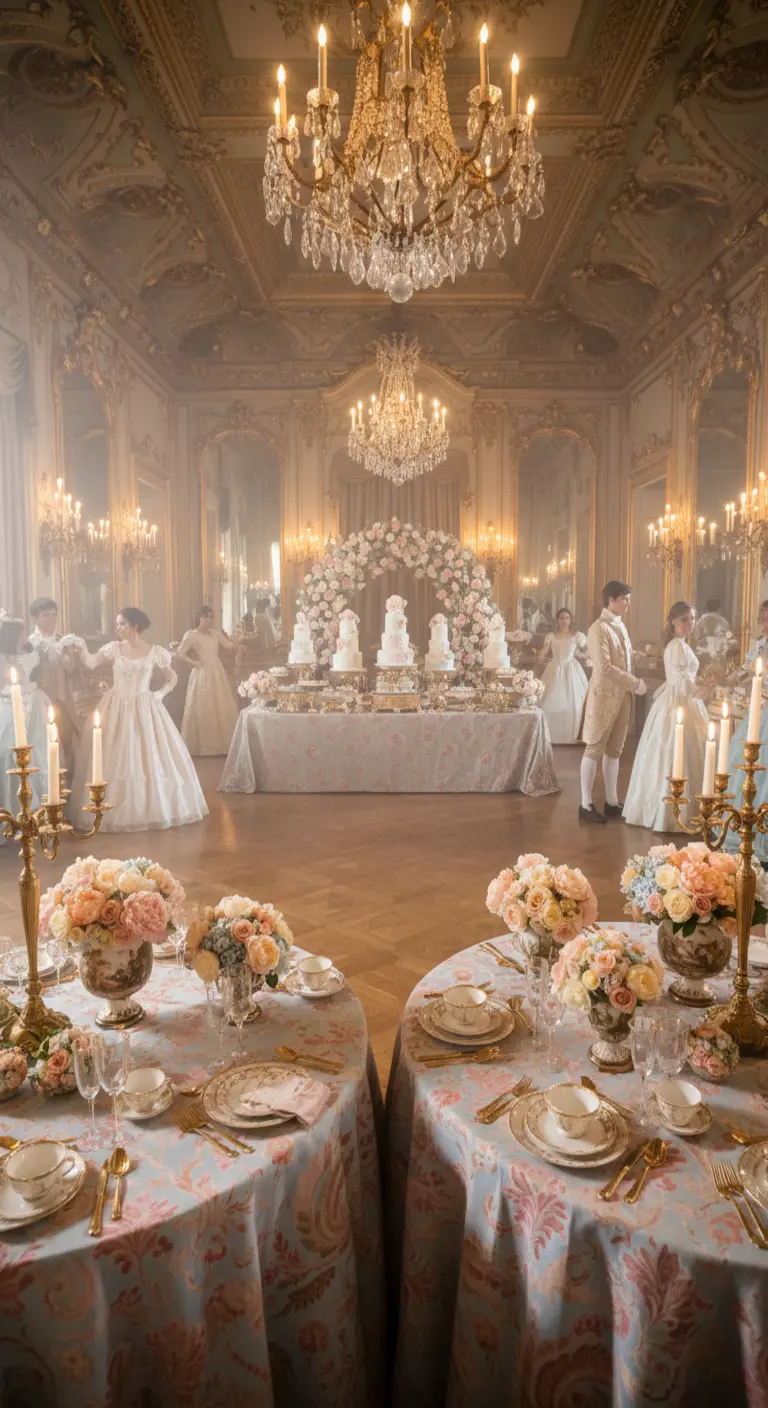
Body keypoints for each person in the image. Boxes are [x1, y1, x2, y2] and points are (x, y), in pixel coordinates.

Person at [64, 607, 207, 833]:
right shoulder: (114, 649)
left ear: (135, 626)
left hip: (145, 705)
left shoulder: (154, 652)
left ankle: (149, 809)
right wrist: (81, 646)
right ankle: (108, 810)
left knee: (148, 755)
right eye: (118, 624)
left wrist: (159, 695)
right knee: (115, 754)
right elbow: (91, 662)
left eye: (122, 624)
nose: (118, 628)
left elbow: (172, 676)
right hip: (116, 704)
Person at [623, 602, 710, 831]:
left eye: (692, 619)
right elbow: (680, 682)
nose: (689, 624)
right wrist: (699, 686)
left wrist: (699, 683)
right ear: (673, 621)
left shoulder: (681, 645)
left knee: (684, 753)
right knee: (672, 751)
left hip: (684, 701)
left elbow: (684, 678)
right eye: (685, 620)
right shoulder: (676, 647)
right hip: (677, 703)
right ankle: (673, 812)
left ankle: (688, 809)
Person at [579, 579, 647, 823]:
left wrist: (637, 656)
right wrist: (634, 683)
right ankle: (585, 804)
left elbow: (621, 658)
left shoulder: (619, 625)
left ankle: (610, 801)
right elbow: (605, 667)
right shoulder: (598, 628)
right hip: (604, 698)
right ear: (612, 600)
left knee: (615, 751)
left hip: (623, 698)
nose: (628, 603)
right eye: (625, 599)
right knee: (594, 748)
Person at [0, 613, 52, 817]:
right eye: (22, 632)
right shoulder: (4, 658)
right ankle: (12, 810)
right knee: (12, 755)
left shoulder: (32, 654)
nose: (26, 636)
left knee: (36, 753)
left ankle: (37, 810)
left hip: (33, 705)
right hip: (10, 707)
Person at [175, 606, 238, 756]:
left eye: (212, 617)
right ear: (200, 618)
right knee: (204, 705)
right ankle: (205, 746)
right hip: (202, 672)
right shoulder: (192, 635)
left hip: (217, 671)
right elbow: (179, 654)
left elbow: (229, 645)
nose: (211, 620)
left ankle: (224, 745)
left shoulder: (215, 634)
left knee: (221, 704)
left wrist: (238, 642)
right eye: (208, 617)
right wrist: (194, 664)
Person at [27, 597, 80, 768]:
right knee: (44, 745)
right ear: (35, 619)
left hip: (63, 700)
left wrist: (68, 653)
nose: (51, 619)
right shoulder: (30, 643)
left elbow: (73, 669)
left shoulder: (63, 640)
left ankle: (66, 788)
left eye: (54, 614)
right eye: (45, 615)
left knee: (67, 743)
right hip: (41, 701)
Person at [538, 608, 589, 744]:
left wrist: (590, 656)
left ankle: (573, 734)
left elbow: (579, 653)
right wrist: (543, 651)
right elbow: (542, 655)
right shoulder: (551, 636)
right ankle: (552, 735)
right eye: (562, 618)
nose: (565, 620)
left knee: (575, 702)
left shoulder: (577, 635)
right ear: (557, 620)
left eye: (567, 617)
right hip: (554, 668)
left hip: (571, 669)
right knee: (551, 700)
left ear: (571, 620)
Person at [727, 600, 768, 684]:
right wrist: (738, 675)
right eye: (762, 621)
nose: (764, 626)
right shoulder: (759, 642)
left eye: (767, 620)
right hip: (753, 685)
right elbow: (747, 663)